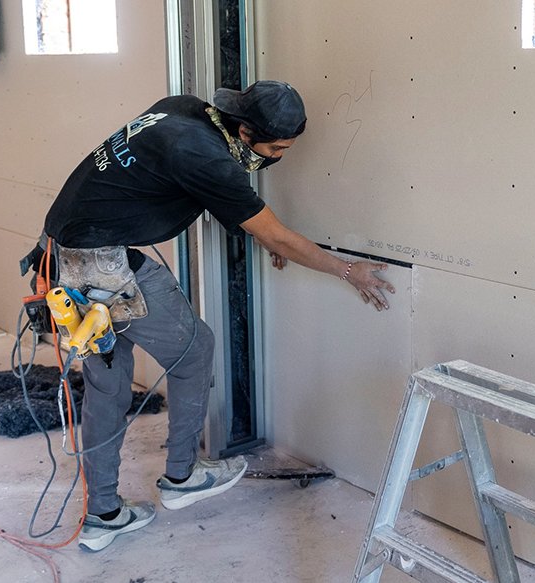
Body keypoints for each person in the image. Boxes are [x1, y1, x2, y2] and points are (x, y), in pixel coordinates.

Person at [30, 80, 395, 552]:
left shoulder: (183, 110)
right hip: (103, 265)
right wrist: (347, 270)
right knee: (195, 349)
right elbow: (265, 224)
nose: (279, 157)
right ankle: (183, 476)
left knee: (108, 385)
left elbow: (212, 191)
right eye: (277, 149)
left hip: (58, 257)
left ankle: (103, 515)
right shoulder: (203, 156)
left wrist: (263, 233)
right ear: (245, 132)